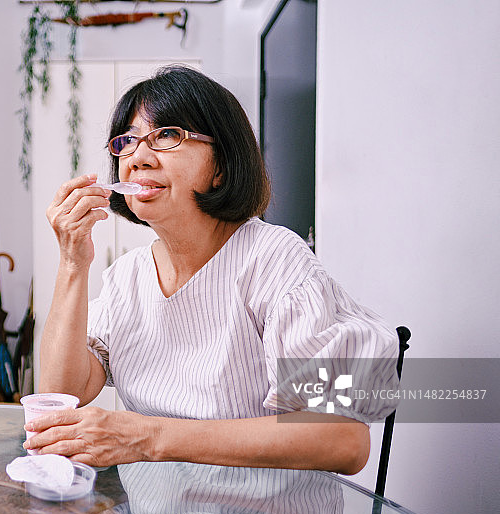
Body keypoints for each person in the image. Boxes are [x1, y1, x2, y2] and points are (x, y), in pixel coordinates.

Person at [26, 65, 399, 475]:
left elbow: (342, 439)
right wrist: (73, 261)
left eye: (167, 135)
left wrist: (149, 437)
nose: (138, 158)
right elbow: (61, 397)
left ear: (220, 166)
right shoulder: (126, 278)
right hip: (153, 510)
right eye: (127, 141)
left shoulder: (274, 261)